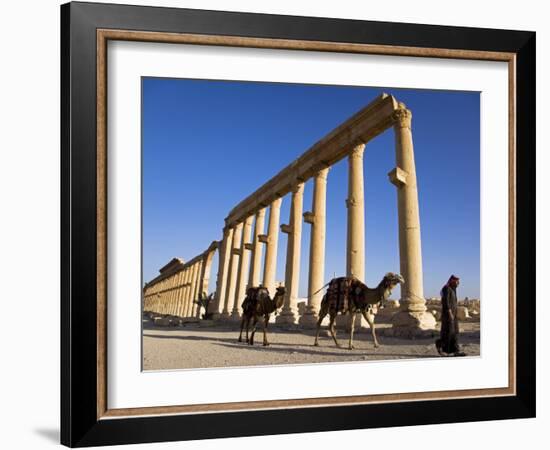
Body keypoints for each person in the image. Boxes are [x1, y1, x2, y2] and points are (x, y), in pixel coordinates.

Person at [435, 275, 466, 357]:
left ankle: (456, 350)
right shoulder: (447, 288)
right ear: (452, 281)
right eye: (457, 281)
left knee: (455, 332)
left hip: (454, 315)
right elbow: (446, 302)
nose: (458, 283)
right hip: (448, 315)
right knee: (448, 333)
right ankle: (440, 345)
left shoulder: (453, 290)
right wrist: (450, 313)